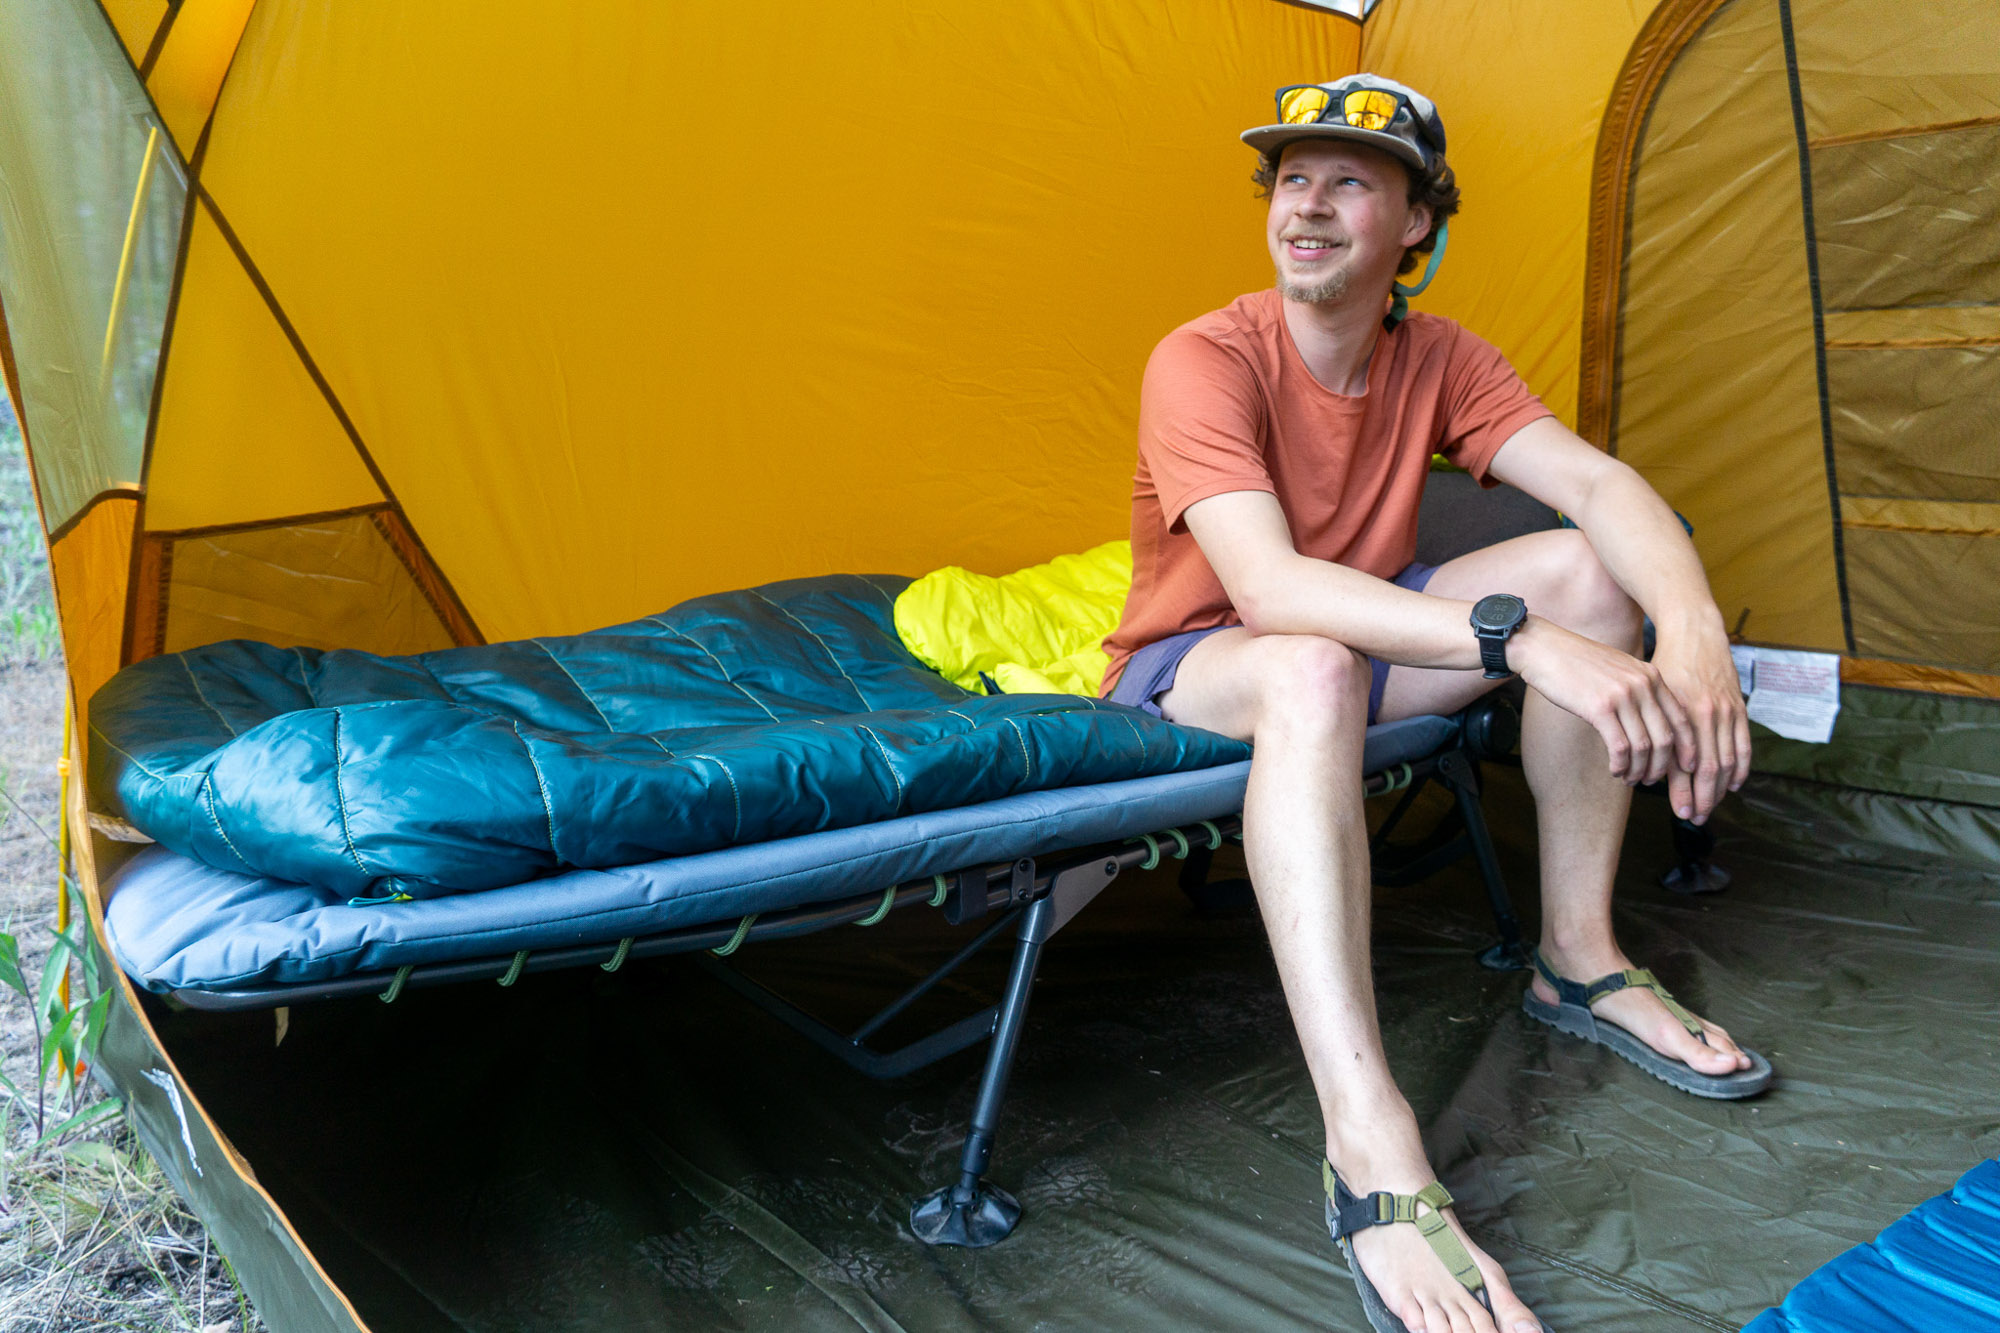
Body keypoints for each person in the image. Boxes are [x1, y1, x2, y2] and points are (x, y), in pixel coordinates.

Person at [1100, 75, 1771, 1333]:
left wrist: (1691, 634)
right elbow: (1266, 586)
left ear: (1413, 221)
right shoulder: (1204, 355)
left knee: (1583, 565)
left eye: (1350, 179)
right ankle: (1368, 1138)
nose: (1307, 204)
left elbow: (1597, 484)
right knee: (1310, 660)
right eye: (1291, 178)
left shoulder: (1440, 355)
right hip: (1205, 655)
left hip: (1368, 630)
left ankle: (1575, 961)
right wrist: (1515, 645)